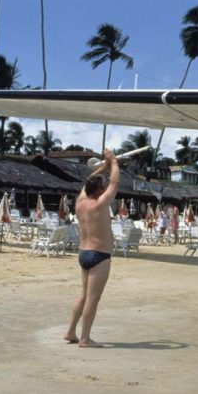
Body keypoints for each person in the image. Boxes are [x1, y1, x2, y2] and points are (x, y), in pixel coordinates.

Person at [64, 149, 119, 348]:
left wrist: (102, 167)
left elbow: (89, 182)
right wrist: (113, 162)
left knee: (84, 295)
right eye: (102, 188)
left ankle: (71, 331)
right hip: (99, 255)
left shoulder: (80, 203)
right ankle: (85, 338)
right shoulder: (100, 204)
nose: (105, 189)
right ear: (98, 191)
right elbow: (115, 183)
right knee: (93, 299)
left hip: (84, 253)